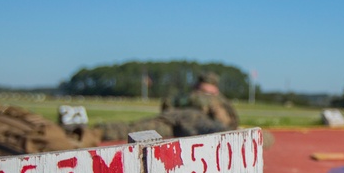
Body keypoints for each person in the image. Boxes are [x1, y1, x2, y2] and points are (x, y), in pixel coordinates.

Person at [96, 74, 239, 142]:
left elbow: (227, 123)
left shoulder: (217, 100)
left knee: (137, 128)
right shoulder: (190, 97)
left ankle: (96, 132)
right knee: (138, 128)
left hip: (194, 125)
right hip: (174, 122)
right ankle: (95, 132)